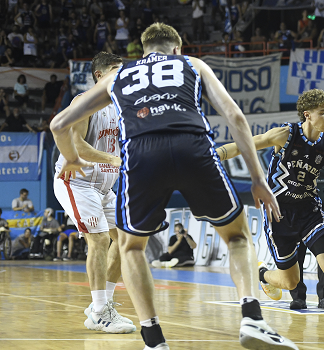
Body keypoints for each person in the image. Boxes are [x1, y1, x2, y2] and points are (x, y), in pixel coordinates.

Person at [49, 23, 297, 350]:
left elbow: (57, 124)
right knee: (237, 237)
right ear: (177, 49)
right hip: (193, 148)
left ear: (143, 50)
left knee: (130, 247)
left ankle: (153, 339)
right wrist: (258, 179)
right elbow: (236, 118)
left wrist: (69, 158)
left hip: (141, 155)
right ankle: (252, 318)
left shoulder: (120, 77)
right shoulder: (192, 64)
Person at [217, 89, 324, 336]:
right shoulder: (286, 135)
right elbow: (248, 143)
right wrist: (218, 155)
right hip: (278, 213)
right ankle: (263, 274)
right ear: (307, 115)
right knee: (290, 281)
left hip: (309, 210)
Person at [53, 52, 135, 334]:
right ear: (100, 75)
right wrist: (114, 160)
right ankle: (100, 312)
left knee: (127, 240)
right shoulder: (83, 102)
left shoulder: (122, 106)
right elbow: (76, 145)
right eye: (115, 69)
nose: (122, 74)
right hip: (76, 180)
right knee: (99, 240)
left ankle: (103, 305)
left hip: (104, 186)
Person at [287, 168, 324, 310]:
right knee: (297, 253)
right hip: (298, 206)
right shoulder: (296, 150)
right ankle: (298, 297)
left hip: (323, 207)